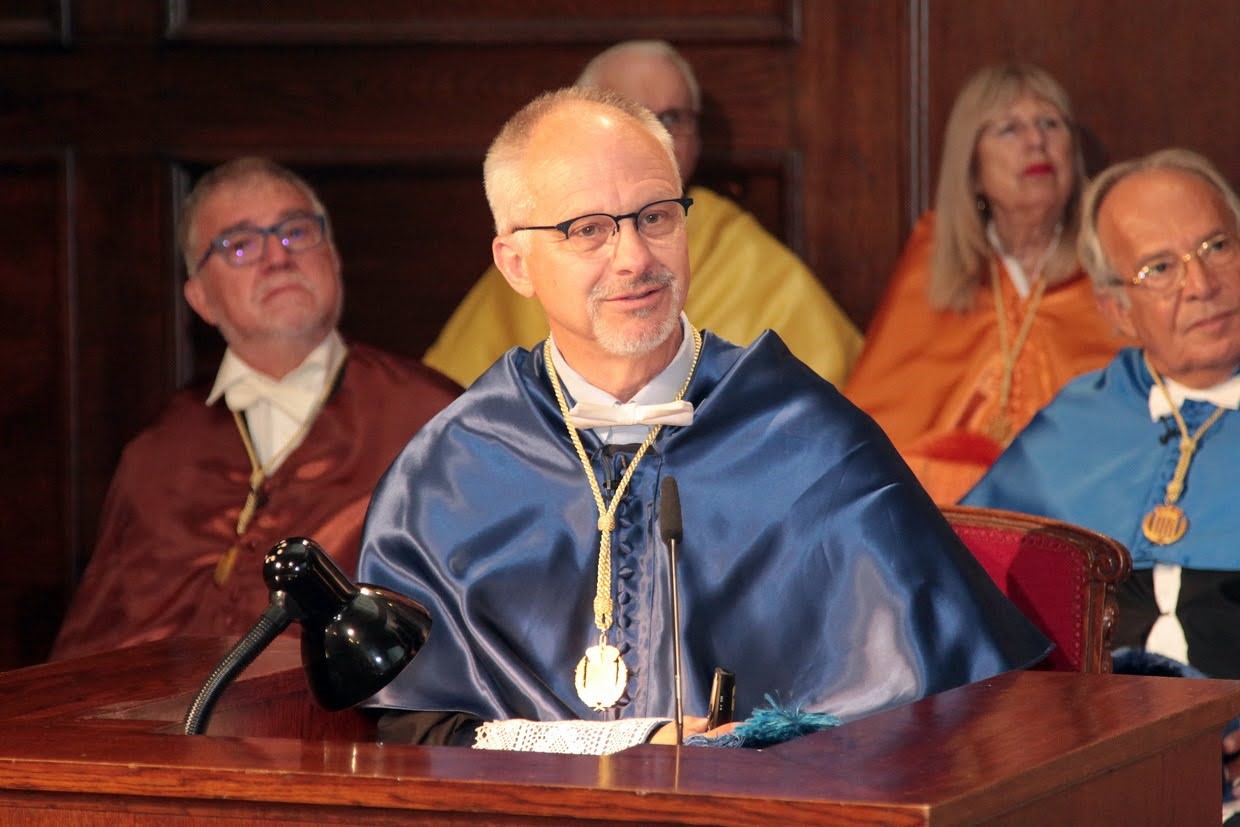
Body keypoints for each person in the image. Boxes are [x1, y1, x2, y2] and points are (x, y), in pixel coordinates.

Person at [357, 86, 1050, 755]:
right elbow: (414, 734)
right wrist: (630, 744)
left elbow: (947, 714)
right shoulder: (451, 468)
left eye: (655, 216)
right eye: (588, 229)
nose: (634, 257)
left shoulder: (806, 437)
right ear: (515, 263)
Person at [51, 157, 460, 661]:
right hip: (162, 728)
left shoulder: (433, 418)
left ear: (332, 256)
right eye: (241, 245)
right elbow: (96, 650)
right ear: (200, 299)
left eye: (296, 232)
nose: (278, 257)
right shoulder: (158, 451)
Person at [962, 147, 1240, 821]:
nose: (1201, 283)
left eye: (1217, 245)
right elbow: (971, 599)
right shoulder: (1074, 423)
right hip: (1091, 768)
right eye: (1160, 267)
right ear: (1116, 308)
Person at [422, 39, 863, 388]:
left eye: (672, 117)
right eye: (589, 229)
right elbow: (451, 391)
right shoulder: (538, 245)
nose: (633, 258)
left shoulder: (745, 251)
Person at [843, 63, 1127, 504]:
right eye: (1009, 129)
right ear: (971, 166)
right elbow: (877, 427)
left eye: (1050, 123)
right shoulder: (933, 256)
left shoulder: (1114, 257)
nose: (1036, 142)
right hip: (944, 515)